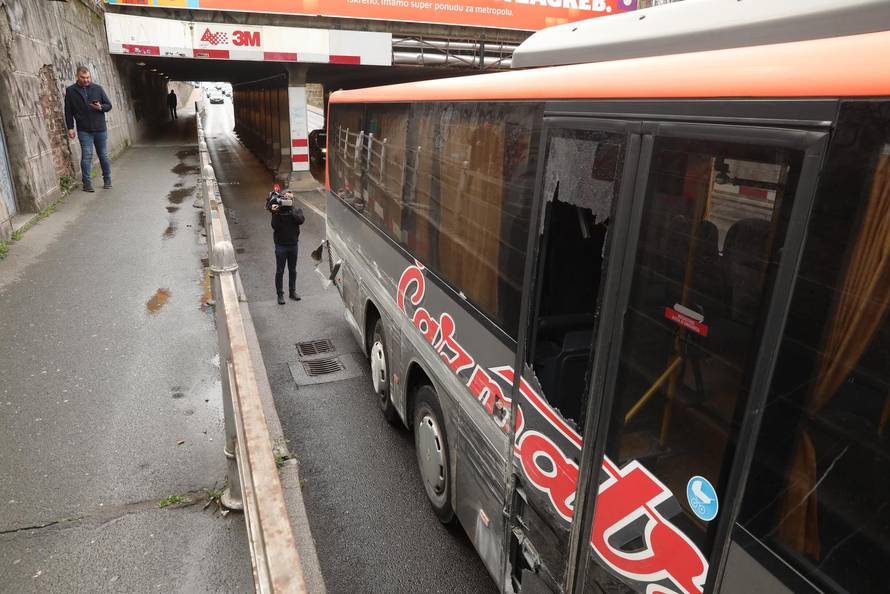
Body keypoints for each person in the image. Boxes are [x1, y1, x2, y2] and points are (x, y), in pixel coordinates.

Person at [64, 66, 112, 192]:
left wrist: (100, 107)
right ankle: (87, 183)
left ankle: (107, 179)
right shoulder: (70, 91)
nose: (86, 80)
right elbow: (68, 111)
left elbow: (109, 105)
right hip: (84, 129)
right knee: (87, 156)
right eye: (83, 78)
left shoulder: (97, 88)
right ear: (77, 76)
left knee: (103, 155)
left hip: (100, 128)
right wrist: (70, 127)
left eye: (88, 77)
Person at [268, 189, 305, 305]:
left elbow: (300, 220)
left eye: (291, 198)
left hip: (293, 245)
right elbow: (275, 226)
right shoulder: (278, 211)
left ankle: (292, 292)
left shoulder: (296, 210)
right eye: (286, 198)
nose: (288, 200)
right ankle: (280, 295)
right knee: (280, 271)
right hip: (281, 246)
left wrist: (291, 209)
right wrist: (275, 213)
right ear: (282, 198)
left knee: (292, 270)